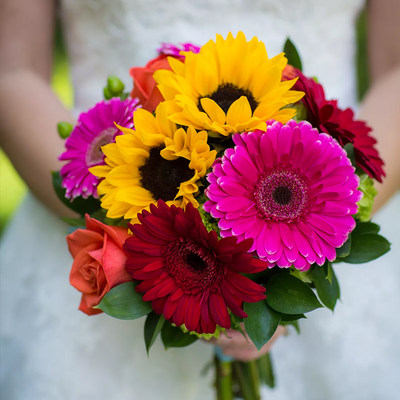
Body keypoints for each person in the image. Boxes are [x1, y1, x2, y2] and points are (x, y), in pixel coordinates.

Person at [0, 0, 399, 399]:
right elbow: (13, 72)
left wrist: (330, 217)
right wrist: (148, 246)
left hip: (327, 187)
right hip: (111, 191)